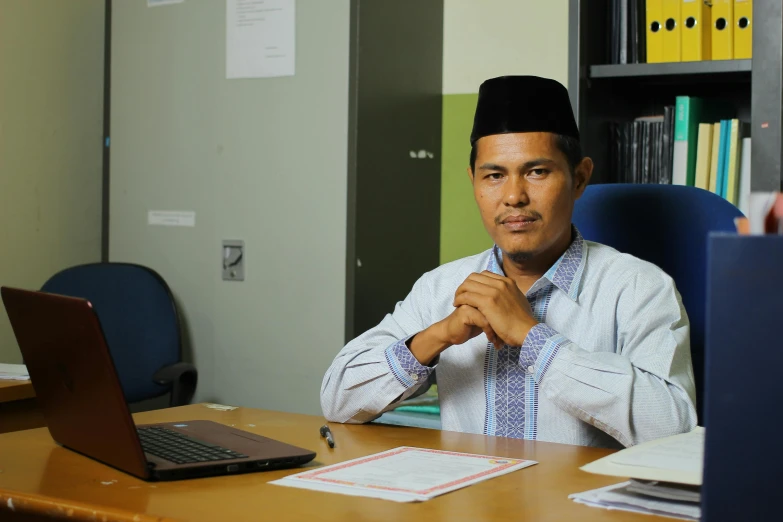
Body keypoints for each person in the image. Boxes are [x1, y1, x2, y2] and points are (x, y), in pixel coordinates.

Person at [320, 75, 697, 448]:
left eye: (536, 172)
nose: (514, 196)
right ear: (474, 183)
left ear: (579, 178)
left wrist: (533, 339)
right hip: (466, 503)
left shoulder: (638, 287)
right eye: (495, 175)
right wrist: (438, 336)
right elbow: (337, 399)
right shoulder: (441, 287)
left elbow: (672, 428)